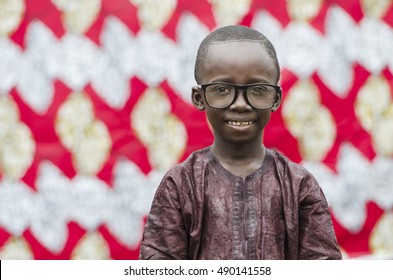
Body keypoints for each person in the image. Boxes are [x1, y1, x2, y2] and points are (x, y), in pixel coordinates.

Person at [139, 25, 342, 260]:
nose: (240, 104)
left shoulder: (298, 185)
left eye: (257, 89)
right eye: (222, 89)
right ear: (199, 97)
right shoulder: (181, 185)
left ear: (276, 99)